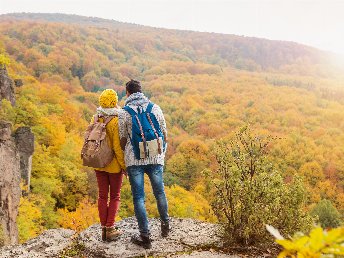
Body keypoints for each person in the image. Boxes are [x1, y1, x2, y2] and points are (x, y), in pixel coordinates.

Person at [119, 79, 170, 249]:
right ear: (141, 91)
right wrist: (161, 152)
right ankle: (165, 226)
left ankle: (145, 236)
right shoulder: (155, 108)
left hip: (134, 160)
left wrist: (126, 155)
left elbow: (122, 139)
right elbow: (164, 132)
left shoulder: (125, 112)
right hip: (155, 157)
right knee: (160, 192)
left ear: (128, 93)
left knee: (139, 197)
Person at [91, 89, 126, 241]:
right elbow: (118, 148)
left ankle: (103, 229)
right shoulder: (116, 121)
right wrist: (125, 166)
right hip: (113, 166)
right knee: (115, 196)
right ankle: (110, 228)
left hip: (98, 163)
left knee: (102, 196)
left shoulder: (95, 117)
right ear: (114, 101)